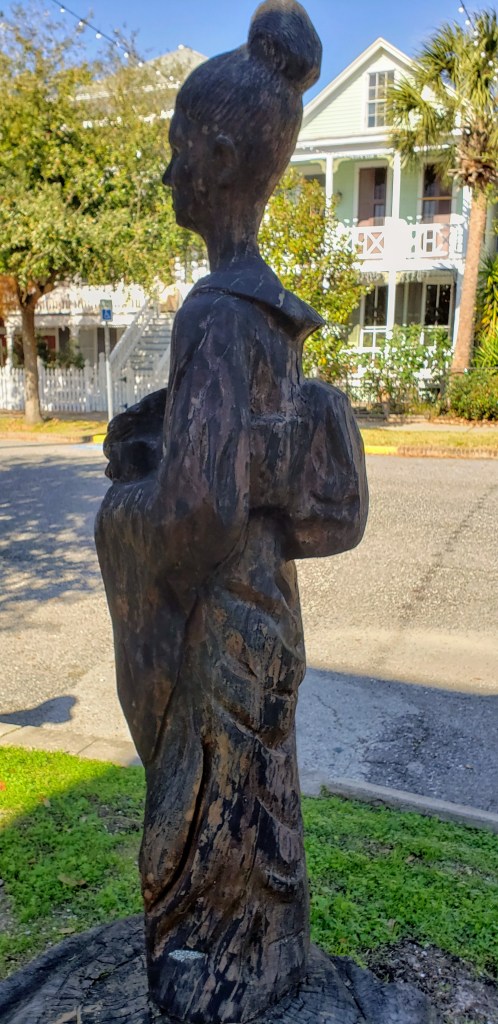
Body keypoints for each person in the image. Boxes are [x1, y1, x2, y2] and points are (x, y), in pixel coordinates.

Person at [95, 3, 368, 1021]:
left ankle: (218, 972)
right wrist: (164, 432)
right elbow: (241, 458)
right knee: (257, 804)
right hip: (265, 610)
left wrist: (125, 507)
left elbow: (199, 513)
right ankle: (260, 958)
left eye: (177, 147)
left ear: (215, 156)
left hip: (222, 627)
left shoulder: (215, 315)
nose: (168, 169)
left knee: (212, 819)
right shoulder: (266, 315)